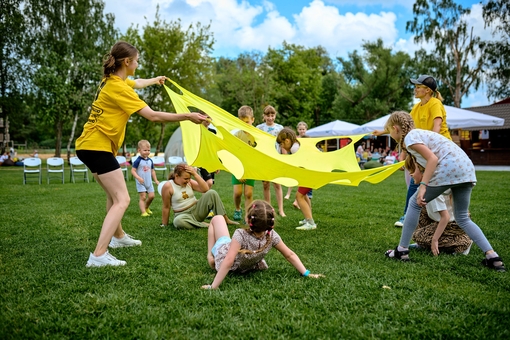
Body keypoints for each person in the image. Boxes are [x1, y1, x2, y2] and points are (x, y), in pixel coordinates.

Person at [77, 41, 209, 267]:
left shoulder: (112, 80)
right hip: (97, 146)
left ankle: (117, 238)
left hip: (89, 145)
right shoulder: (118, 88)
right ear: (127, 62)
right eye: (136, 60)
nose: (138, 64)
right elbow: (153, 116)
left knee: (113, 196)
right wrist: (188, 116)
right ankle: (98, 255)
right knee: (123, 199)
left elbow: (136, 82)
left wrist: (155, 80)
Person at [383, 111, 505, 272]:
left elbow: (433, 159)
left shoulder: (410, 137)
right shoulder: (419, 136)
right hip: (466, 170)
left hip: (449, 169)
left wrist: (424, 185)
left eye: (389, 131)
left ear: (395, 128)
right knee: (462, 217)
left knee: (414, 203)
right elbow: (425, 164)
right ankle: (493, 257)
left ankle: (401, 250)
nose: (390, 135)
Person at [375, 75, 452, 228]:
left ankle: (407, 216)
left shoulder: (435, 104)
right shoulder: (416, 107)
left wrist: (428, 150)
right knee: (416, 181)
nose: (415, 90)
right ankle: (418, 216)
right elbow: (405, 127)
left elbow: (436, 127)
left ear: (427, 90)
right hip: (424, 148)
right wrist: (383, 132)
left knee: (419, 182)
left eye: (418, 87)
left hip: (440, 149)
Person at [202, 200, 324, 289]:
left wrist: (213, 286)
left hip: (231, 260)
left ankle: (210, 255)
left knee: (217, 218)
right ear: (271, 223)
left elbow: (228, 260)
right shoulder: (271, 236)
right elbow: (289, 255)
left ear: (248, 219)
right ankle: (211, 256)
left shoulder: (240, 234)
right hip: (248, 266)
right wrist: (307, 273)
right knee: (227, 237)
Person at [405, 155, 472, 255]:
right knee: (419, 211)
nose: (410, 174)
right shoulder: (428, 187)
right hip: (442, 220)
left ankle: (463, 242)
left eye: (413, 170)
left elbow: (445, 217)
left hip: (452, 224)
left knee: (418, 235)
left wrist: (434, 240)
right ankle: (422, 244)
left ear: (423, 171)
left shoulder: (433, 191)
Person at [160, 163, 239, 229]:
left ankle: (225, 220)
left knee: (212, 193)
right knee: (177, 222)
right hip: (183, 215)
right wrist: (164, 224)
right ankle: (207, 225)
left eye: (189, 178)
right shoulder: (168, 186)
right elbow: (166, 207)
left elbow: (205, 189)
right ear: (176, 176)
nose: (188, 180)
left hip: (197, 210)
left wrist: (195, 174)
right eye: (185, 179)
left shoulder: (189, 181)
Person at [276, 128, 317, 230]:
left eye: (282, 144)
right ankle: (308, 217)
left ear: (287, 141)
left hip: (308, 174)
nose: (282, 147)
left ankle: (310, 223)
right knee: (304, 195)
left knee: (299, 196)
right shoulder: (296, 145)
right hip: (309, 173)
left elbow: (302, 163)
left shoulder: (295, 148)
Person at [256, 105, 285, 217]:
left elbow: (282, 143)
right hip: (264, 160)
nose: (270, 118)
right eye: (268, 115)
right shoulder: (259, 128)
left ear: (275, 116)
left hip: (275, 159)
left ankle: (281, 210)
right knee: (266, 184)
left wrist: (282, 157)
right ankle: (269, 208)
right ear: (264, 116)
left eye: (272, 115)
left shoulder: (279, 128)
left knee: (277, 184)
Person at [232, 105, 256, 222]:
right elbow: (233, 153)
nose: (245, 124)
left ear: (253, 120)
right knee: (238, 193)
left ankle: (248, 215)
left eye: (247, 122)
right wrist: (239, 171)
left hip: (250, 167)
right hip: (237, 166)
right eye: (242, 122)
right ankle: (237, 209)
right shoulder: (236, 135)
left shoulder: (257, 135)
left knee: (248, 193)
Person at [284, 122, 311, 210]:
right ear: (297, 130)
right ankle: (292, 197)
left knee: (303, 188)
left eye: (303, 129)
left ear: (306, 129)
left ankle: (299, 202)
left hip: (305, 165)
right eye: (300, 129)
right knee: (295, 180)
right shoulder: (295, 139)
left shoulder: (308, 139)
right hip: (297, 163)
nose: (302, 130)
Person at [131, 140, 160, 217]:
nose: (147, 152)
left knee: (152, 196)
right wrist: (138, 178)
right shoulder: (138, 161)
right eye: (145, 150)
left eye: (148, 150)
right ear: (139, 150)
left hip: (149, 182)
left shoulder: (150, 161)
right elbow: (133, 171)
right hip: (141, 182)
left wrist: (156, 180)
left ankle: (146, 207)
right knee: (143, 197)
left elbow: (153, 171)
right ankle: (143, 212)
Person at [197, 113, 218, 189]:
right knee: (208, 182)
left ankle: (206, 200)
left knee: (208, 184)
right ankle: (205, 200)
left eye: (210, 117)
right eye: (207, 117)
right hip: (201, 161)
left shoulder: (213, 132)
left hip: (210, 160)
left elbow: (214, 148)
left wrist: (217, 163)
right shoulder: (197, 131)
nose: (208, 120)